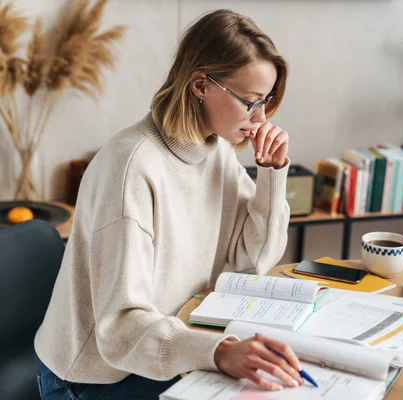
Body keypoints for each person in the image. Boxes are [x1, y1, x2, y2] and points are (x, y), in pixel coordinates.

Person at [35, 9, 304, 399]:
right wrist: (220, 353)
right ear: (200, 85)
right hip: (93, 376)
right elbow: (120, 327)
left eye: (267, 101)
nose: (260, 119)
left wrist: (272, 174)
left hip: (160, 350)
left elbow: (252, 261)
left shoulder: (216, 151)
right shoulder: (131, 168)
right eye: (250, 102)